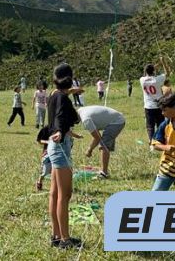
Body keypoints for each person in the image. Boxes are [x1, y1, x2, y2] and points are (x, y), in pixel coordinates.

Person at [46, 63, 82, 249]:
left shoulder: (54, 95)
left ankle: (56, 235)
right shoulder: (62, 98)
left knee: (54, 193)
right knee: (64, 194)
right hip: (60, 146)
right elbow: (60, 116)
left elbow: (57, 112)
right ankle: (65, 240)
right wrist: (61, 131)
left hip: (54, 145)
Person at [77, 105, 126, 179]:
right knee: (104, 144)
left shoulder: (85, 119)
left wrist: (90, 150)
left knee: (103, 145)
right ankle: (102, 170)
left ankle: (104, 173)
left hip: (117, 122)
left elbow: (97, 137)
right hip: (117, 118)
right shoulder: (81, 110)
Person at [140, 63, 167, 144]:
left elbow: (145, 74)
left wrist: (151, 68)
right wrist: (162, 62)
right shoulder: (157, 79)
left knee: (150, 126)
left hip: (148, 106)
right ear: (154, 71)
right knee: (161, 124)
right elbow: (167, 73)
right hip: (158, 105)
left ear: (145, 71)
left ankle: (151, 141)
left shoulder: (142, 80)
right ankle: (160, 140)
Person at [34, 126, 52, 192]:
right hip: (47, 153)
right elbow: (39, 140)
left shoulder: (62, 128)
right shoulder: (46, 128)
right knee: (45, 171)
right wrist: (48, 142)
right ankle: (39, 181)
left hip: (59, 153)